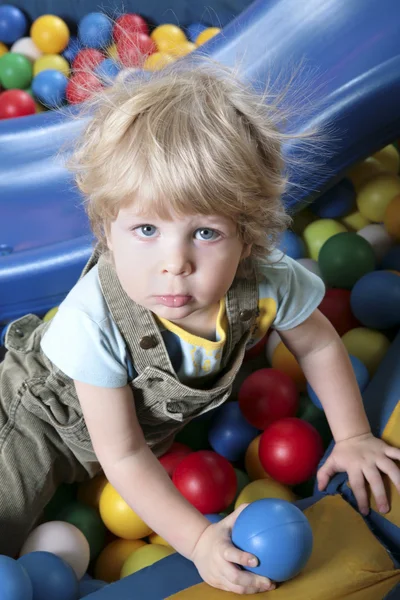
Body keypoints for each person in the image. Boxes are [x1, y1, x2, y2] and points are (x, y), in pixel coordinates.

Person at [1, 62, 400, 595]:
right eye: (147, 228)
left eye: (206, 232)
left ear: (248, 235)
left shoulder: (264, 281)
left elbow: (321, 343)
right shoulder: (88, 320)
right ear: (107, 232)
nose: (175, 262)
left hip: (142, 431)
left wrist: (352, 437)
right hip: (42, 420)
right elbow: (121, 456)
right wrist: (197, 541)